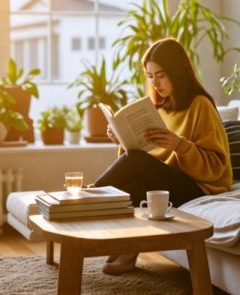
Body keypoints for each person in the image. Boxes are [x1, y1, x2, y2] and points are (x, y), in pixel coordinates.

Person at [93, 37, 232, 275]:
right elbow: (146, 158)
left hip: (200, 186)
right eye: (150, 76)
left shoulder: (201, 106)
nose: (155, 83)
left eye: (161, 75)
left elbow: (215, 167)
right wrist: (122, 140)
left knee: (136, 160)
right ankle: (127, 249)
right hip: (167, 182)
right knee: (136, 183)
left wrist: (181, 146)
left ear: (177, 73)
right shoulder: (159, 108)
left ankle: (87, 198)